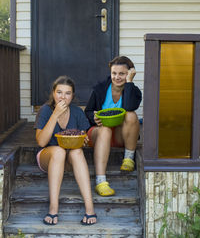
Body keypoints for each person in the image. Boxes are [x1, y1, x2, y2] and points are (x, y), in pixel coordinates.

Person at [35, 75, 97, 225]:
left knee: (77, 152)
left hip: (70, 159)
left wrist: (85, 140)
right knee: (58, 151)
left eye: (67, 93)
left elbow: (84, 138)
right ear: (53, 93)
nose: (63, 97)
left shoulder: (77, 112)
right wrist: (55, 114)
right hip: (47, 158)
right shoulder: (45, 110)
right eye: (59, 92)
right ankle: (53, 208)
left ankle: (90, 209)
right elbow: (41, 141)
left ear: (72, 96)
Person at [85, 56, 142, 197]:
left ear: (129, 73)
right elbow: (87, 111)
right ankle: (100, 181)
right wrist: (94, 117)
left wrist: (129, 83)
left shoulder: (134, 92)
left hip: (119, 136)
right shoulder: (100, 89)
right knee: (104, 130)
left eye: (122, 74)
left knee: (131, 115)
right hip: (99, 134)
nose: (117, 77)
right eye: (114, 73)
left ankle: (128, 159)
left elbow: (129, 107)